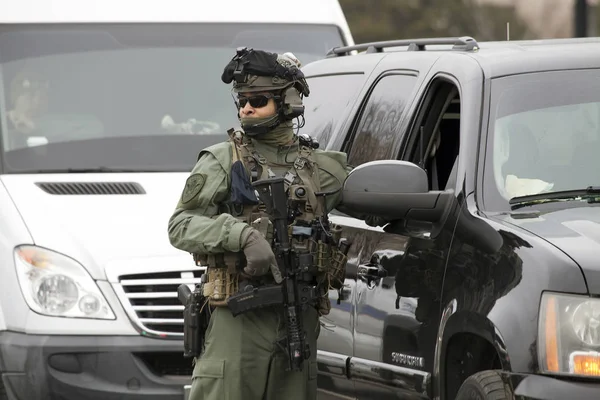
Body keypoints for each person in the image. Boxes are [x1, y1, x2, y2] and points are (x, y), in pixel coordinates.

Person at [167, 48, 351, 400]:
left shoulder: (322, 169)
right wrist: (241, 235)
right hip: (239, 319)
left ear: (288, 102)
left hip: (299, 314)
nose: (246, 109)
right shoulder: (223, 160)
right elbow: (181, 225)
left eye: (259, 100)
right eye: (242, 101)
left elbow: (380, 201)